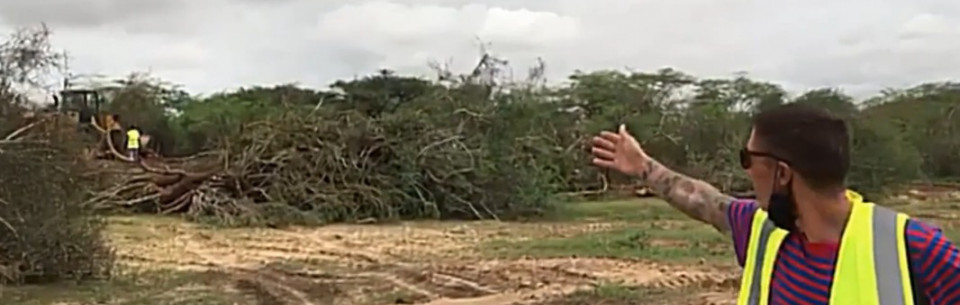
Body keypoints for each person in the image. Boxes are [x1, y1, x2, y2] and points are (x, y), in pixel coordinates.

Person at [590, 103, 959, 305]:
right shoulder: (765, 231)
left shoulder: (912, 247)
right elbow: (704, 201)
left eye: (747, 159)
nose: (747, 172)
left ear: (782, 173)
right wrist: (643, 167)